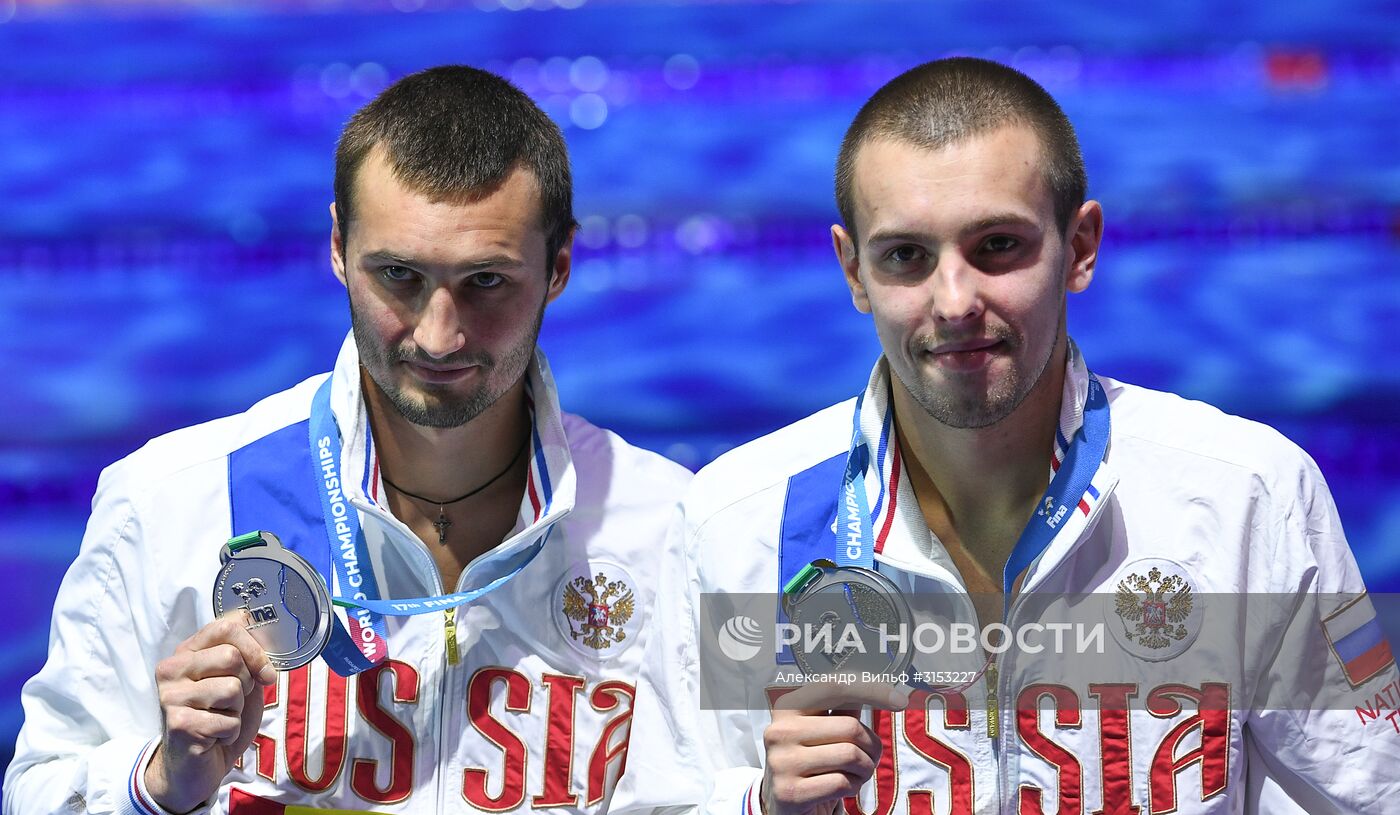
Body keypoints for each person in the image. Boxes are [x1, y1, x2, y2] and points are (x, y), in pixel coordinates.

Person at [616, 57, 1400, 815]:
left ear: (1080, 248)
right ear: (853, 271)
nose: (954, 299)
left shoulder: (1247, 498)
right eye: (906, 257)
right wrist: (760, 804)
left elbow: (1370, 790)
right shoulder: (737, 523)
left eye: (997, 246)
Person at [4, 65, 690, 815]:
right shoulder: (169, 499)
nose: (439, 334)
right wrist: (158, 785)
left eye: (486, 281)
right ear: (337, 247)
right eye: (398, 275)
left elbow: (745, 781)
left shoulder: (680, 526)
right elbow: (40, 788)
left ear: (559, 265)